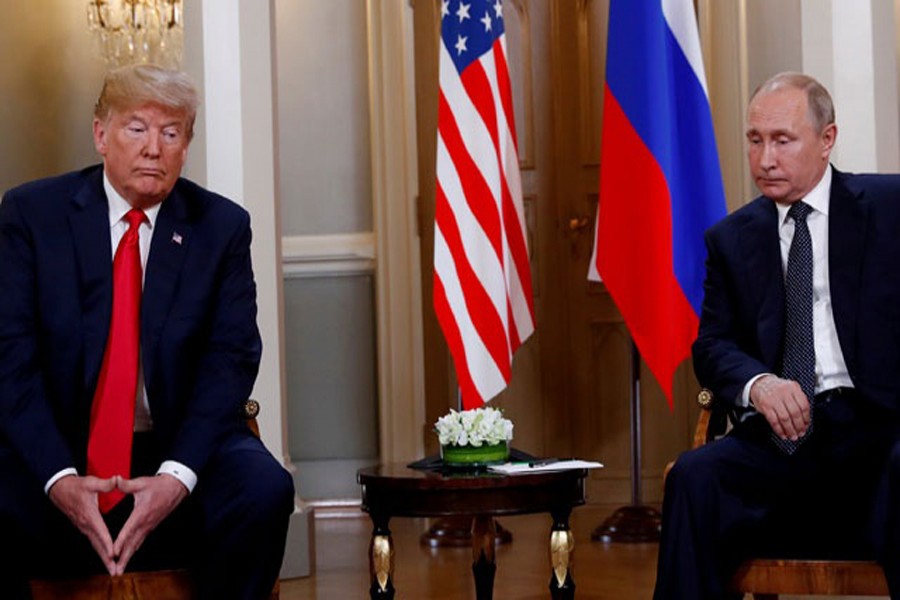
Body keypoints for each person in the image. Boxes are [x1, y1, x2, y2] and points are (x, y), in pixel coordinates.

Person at [0, 64, 295, 599]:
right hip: (62, 445)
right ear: (101, 134)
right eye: (136, 129)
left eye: (171, 132)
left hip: (175, 443)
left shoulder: (221, 227)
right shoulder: (31, 215)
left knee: (264, 488)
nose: (153, 148)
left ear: (186, 146)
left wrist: (175, 476)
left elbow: (230, 360)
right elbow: (11, 360)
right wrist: (59, 478)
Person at [654, 71, 900, 599]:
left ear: (827, 139)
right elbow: (712, 346)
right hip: (784, 436)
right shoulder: (730, 238)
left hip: (880, 433)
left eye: (783, 141)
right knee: (695, 477)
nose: (765, 159)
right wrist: (759, 384)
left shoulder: (888, 208)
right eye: (755, 140)